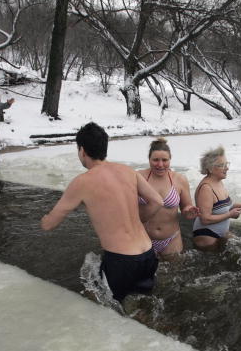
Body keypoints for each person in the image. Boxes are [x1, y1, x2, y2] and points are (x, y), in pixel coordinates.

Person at [41, 122, 163, 302]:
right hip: (147, 254)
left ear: (82, 150)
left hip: (122, 261)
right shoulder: (128, 171)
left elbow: (49, 224)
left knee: (106, 307)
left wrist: (43, 219)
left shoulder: (82, 182)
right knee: (142, 306)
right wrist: (136, 219)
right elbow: (157, 201)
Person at [138, 137, 199, 256]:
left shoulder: (179, 179)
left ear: (170, 159)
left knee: (174, 272)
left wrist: (188, 211)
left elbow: (186, 206)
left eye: (164, 160)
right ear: (149, 159)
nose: (160, 164)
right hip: (143, 238)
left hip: (171, 239)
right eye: (155, 160)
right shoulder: (138, 177)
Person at [192, 146, 241, 251]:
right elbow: (205, 219)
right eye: (222, 165)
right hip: (206, 236)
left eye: (226, 164)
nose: (227, 168)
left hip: (220, 233)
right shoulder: (206, 188)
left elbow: (224, 206)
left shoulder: (218, 182)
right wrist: (229, 215)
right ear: (210, 168)